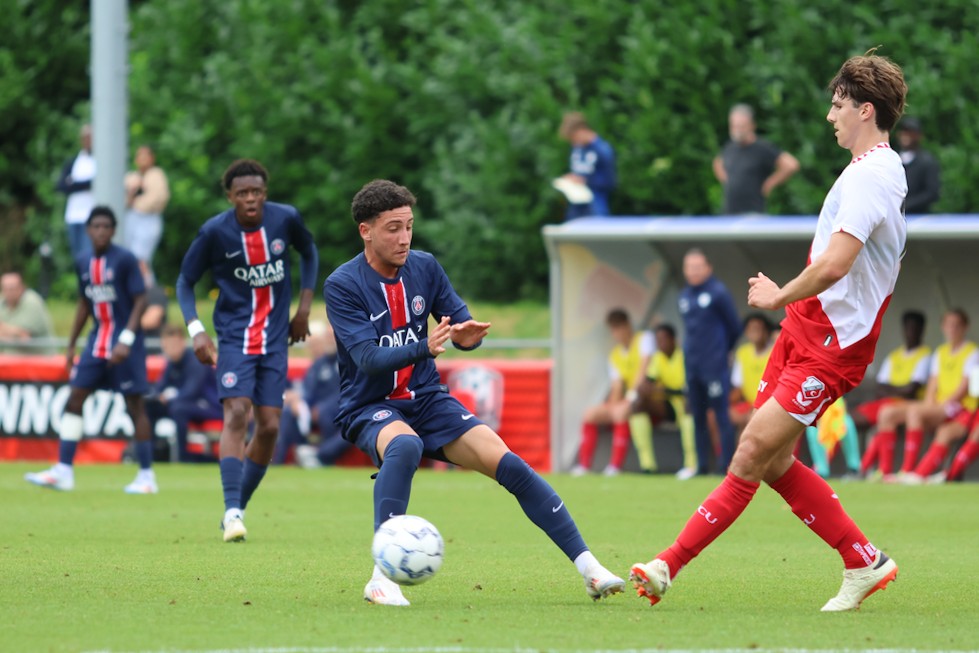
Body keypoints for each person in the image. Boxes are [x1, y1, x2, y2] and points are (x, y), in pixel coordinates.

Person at [630, 51, 908, 612]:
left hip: (831, 346)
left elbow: (835, 264)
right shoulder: (871, 170)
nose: (831, 117)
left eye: (838, 106)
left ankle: (667, 565)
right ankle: (863, 560)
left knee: (751, 452)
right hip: (804, 332)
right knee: (773, 459)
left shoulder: (871, 177)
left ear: (866, 110)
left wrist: (779, 294)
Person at [324, 179, 624, 606]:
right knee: (405, 446)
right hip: (369, 405)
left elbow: (463, 327)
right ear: (365, 231)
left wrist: (467, 337)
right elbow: (367, 359)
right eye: (393, 228)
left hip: (427, 400)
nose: (404, 237)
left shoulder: (426, 267)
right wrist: (423, 346)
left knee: (511, 466)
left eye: (409, 226)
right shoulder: (342, 284)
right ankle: (381, 577)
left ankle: (591, 569)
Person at [175, 159, 318, 542]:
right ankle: (232, 508)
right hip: (234, 337)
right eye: (242, 193)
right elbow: (186, 281)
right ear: (230, 197)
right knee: (237, 411)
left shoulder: (285, 219)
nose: (250, 199)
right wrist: (197, 331)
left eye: (256, 192)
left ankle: (237, 507)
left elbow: (309, 251)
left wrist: (303, 309)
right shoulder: (215, 232)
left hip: (275, 340)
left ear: (265, 193)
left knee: (270, 425)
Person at [25, 206, 157, 493]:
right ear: (88, 230)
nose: (100, 231)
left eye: (106, 226)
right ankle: (64, 471)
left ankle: (147, 476)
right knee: (74, 398)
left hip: (125, 346)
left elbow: (140, 300)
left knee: (134, 406)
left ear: (113, 230)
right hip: (97, 343)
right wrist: (72, 344)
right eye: (96, 226)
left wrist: (127, 339)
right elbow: (85, 303)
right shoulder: (83, 260)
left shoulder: (125, 259)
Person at [869, 309, 975, 479]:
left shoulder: (972, 352)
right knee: (886, 413)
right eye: (948, 325)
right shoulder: (941, 352)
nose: (952, 329)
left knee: (914, 412)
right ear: (943, 327)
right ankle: (885, 472)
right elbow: (933, 383)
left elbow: (963, 388)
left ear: (965, 328)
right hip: (938, 405)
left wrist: (936, 407)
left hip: (956, 407)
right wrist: (930, 403)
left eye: (956, 325)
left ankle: (907, 470)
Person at [679, 248, 741, 475]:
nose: (694, 271)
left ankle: (726, 465)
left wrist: (724, 350)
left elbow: (734, 326)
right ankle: (702, 465)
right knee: (697, 416)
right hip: (692, 366)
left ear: (708, 268)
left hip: (714, 365)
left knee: (720, 414)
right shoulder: (684, 296)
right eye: (690, 267)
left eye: (698, 267)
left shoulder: (718, 293)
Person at [572, 309, 655, 476]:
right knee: (590, 414)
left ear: (628, 326)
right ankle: (584, 466)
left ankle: (615, 466)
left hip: (650, 397)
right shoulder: (615, 355)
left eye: (619, 328)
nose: (616, 333)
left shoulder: (645, 339)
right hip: (631, 400)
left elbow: (643, 370)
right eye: (613, 329)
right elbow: (617, 386)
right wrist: (610, 406)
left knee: (621, 412)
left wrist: (629, 398)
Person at [855, 310, 930, 476]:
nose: (911, 332)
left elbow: (912, 390)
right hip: (887, 403)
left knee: (881, 417)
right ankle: (867, 469)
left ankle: (868, 469)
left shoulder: (925, 356)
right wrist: (899, 389)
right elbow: (879, 387)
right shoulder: (894, 356)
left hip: (907, 405)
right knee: (845, 420)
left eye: (914, 328)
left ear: (921, 330)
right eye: (908, 328)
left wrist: (891, 389)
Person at [272, 321, 351, 468]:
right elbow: (308, 390)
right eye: (326, 337)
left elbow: (346, 392)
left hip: (341, 411)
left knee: (326, 414)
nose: (328, 340)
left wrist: (320, 408)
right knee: (289, 412)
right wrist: (300, 403)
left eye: (331, 337)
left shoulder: (348, 362)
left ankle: (322, 457)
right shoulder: (319, 364)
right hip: (316, 410)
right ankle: (282, 460)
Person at [145, 325, 222, 463]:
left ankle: (182, 456)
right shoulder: (171, 364)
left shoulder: (196, 360)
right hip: (185, 405)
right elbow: (160, 387)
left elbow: (192, 391)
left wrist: (168, 397)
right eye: (167, 345)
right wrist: (156, 397)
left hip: (211, 407)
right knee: (150, 407)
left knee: (178, 408)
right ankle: (152, 453)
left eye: (173, 344)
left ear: (182, 343)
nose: (170, 349)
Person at [713, 104, 800, 214]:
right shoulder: (730, 147)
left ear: (751, 125)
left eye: (741, 126)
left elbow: (791, 165)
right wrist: (728, 181)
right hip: (729, 213)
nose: (737, 130)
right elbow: (717, 162)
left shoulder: (762, 148)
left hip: (753, 213)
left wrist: (770, 184)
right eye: (734, 126)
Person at [640, 323, 698, 479]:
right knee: (637, 407)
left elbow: (688, 390)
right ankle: (648, 466)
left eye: (664, 339)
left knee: (689, 413)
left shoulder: (684, 355)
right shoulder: (658, 358)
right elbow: (649, 381)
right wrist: (643, 389)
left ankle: (691, 465)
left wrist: (660, 391)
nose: (661, 343)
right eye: (658, 340)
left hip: (687, 403)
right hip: (671, 405)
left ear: (674, 340)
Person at [557, 112, 616, 220]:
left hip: (596, 205)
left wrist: (586, 180)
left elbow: (610, 182)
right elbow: (579, 171)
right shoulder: (577, 148)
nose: (573, 142)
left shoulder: (603, 150)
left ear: (582, 131)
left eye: (573, 138)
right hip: (576, 205)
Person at [124, 145, 170, 270]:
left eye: (146, 156)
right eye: (140, 156)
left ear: (152, 158)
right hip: (131, 219)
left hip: (149, 219)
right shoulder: (131, 176)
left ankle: (145, 287)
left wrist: (135, 201)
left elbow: (157, 199)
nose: (143, 159)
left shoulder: (157, 175)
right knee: (129, 256)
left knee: (141, 258)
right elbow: (123, 199)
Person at [729, 314, 776, 436]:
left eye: (758, 328)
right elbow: (738, 388)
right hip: (749, 404)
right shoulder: (742, 353)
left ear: (766, 331)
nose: (754, 332)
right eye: (751, 328)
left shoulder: (775, 351)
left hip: (770, 405)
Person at [57, 124, 96, 261]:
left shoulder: (100, 160)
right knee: (77, 257)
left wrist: (74, 183)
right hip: (73, 215)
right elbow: (61, 185)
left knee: (89, 254)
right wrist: (85, 184)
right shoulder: (74, 161)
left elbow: (96, 183)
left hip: (91, 215)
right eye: (85, 137)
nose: (87, 140)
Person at [0, 271, 54, 350]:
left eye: (12, 288)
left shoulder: (32, 301)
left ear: (21, 288)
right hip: (11, 358)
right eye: (5, 288)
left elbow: (24, 338)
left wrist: (4, 329)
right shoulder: (2, 302)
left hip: (39, 359)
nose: (8, 292)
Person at [896, 117, 940, 214]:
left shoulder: (927, 162)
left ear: (919, 135)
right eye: (904, 132)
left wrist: (905, 206)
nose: (906, 135)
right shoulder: (892, 160)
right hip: (894, 219)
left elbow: (932, 193)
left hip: (918, 216)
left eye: (910, 132)